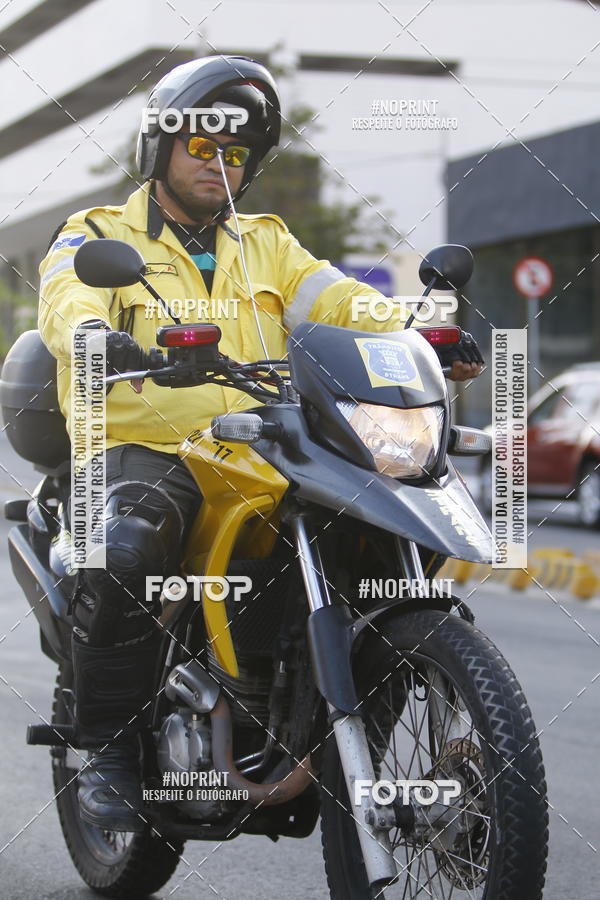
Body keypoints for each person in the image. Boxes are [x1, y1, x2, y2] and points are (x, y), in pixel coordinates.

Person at [37, 55, 484, 832]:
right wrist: (92, 337)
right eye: (202, 145)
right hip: (144, 446)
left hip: (258, 444)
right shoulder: (98, 236)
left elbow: (352, 305)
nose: (220, 163)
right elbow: (66, 302)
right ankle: (105, 751)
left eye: (236, 152)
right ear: (160, 149)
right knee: (129, 544)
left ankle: (333, 702)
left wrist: (426, 331)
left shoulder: (270, 247)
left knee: (379, 521)